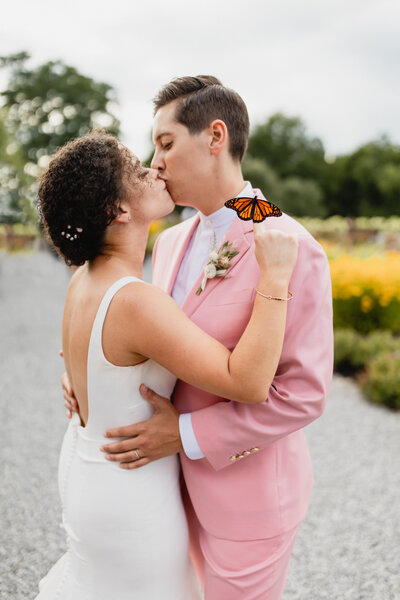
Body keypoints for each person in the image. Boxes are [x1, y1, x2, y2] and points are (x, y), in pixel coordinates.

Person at [63, 77, 334, 599]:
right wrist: (87, 371)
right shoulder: (169, 241)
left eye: (166, 143)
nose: (156, 161)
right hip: (165, 495)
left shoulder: (289, 244)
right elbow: (148, 340)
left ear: (215, 137)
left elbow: (303, 394)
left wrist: (185, 435)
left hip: (247, 500)